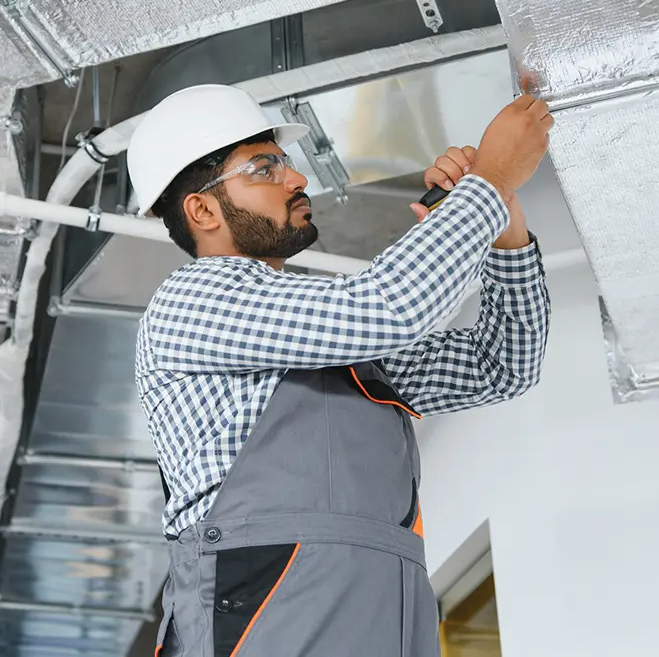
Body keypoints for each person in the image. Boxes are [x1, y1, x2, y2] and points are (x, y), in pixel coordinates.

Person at [128, 83, 552, 657]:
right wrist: (490, 182)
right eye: (263, 167)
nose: (297, 179)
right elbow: (388, 307)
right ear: (202, 209)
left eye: (287, 163)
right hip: (269, 623)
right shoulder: (192, 301)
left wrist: (502, 221)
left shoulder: (331, 339)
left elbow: (502, 365)